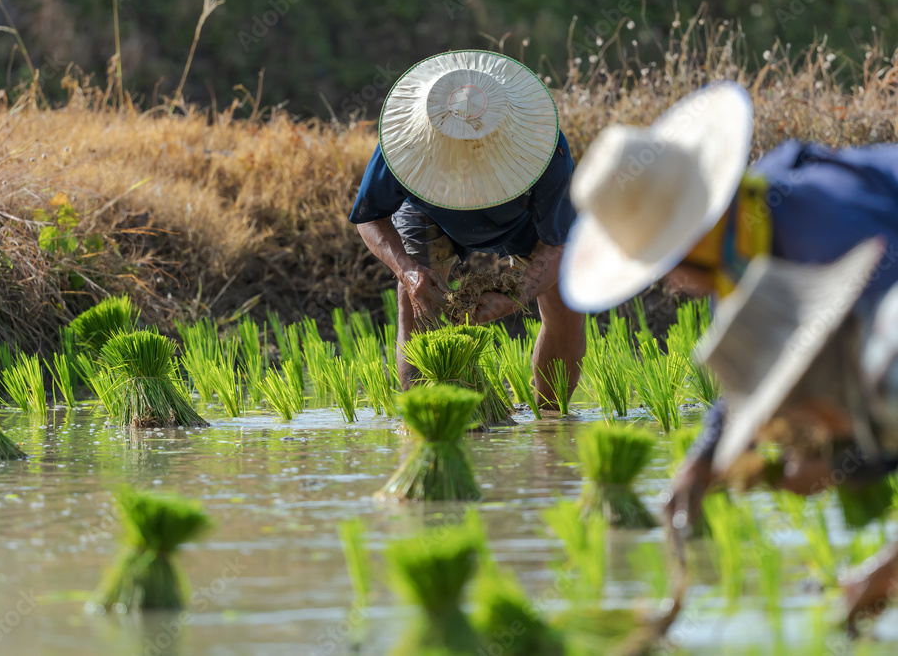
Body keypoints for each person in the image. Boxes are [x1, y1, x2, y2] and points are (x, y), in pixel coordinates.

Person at [557, 81, 898, 628]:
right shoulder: (747, 240)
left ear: (690, 243)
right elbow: (753, 369)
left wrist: (885, 573)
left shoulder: (830, 232)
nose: (671, 281)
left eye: (664, 264)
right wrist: (705, 460)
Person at [349, 50, 585, 408]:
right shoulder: (402, 145)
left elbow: (559, 245)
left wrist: (517, 294)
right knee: (418, 303)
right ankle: (429, 420)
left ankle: (552, 422)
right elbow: (371, 216)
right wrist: (408, 272)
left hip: (522, 220)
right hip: (432, 213)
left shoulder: (546, 151)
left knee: (566, 300)